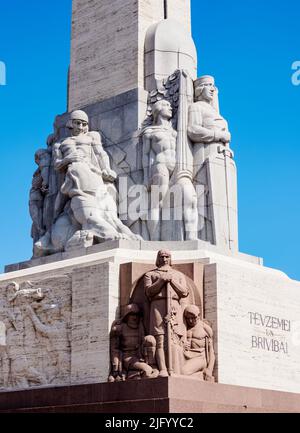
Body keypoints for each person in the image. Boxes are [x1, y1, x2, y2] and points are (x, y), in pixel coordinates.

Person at [187, 75, 238, 249]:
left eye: (213, 86)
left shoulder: (216, 113)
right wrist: (219, 135)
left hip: (222, 158)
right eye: (208, 85)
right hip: (203, 155)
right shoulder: (196, 107)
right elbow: (192, 130)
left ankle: (222, 241)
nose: (212, 89)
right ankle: (204, 236)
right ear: (199, 89)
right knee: (204, 195)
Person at [144, 250, 189, 376]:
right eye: (162, 257)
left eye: (167, 256)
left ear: (170, 258)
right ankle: (163, 368)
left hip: (174, 306)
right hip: (157, 306)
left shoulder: (178, 275)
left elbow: (184, 292)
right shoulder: (150, 274)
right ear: (158, 258)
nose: (164, 259)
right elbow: (148, 292)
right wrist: (161, 281)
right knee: (160, 339)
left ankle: (174, 368)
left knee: (174, 338)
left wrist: (172, 280)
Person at [142, 100, 177, 240]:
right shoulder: (150, 132)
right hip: (160, 166)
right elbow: (145, 155)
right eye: (167, 105)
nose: (170, 107)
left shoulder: (174, 132)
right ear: (158, 109)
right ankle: (153, 239)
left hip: (175, 168)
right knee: (156, 202)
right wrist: (146, 177)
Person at [108, 304, 158, 381]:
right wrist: (116, 368)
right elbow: (115, 349)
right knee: (147, 370)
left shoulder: (140, 327)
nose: (135, 317)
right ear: (126, 316)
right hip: (127, 358)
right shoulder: (119, 329)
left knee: (150, 339)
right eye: (132, 315)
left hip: (140, 355)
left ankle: (152, 365)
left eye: (136, 315)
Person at [182, 304, 215, 381]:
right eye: (188, 318)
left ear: (198, 316)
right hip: (187, 356)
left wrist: (209, 369)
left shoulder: (205, 328)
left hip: (200, 357)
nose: (190, 321)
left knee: (183, 372)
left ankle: (202, 375)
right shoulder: (184, 327)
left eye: (193, 318)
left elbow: (211, 351)